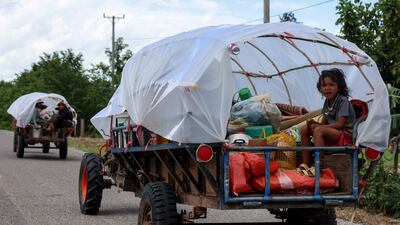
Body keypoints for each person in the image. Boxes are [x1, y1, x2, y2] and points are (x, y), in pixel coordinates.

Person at [300, 68, 356, 167]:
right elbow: (324, 123)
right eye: (324, 85)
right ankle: (306, 164)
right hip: (334, 132)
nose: (327, 88)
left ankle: (319, 165)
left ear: (338, 87)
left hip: (345, 135)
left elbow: (340, 124)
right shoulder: (327, 102)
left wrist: (318, 127)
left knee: (318, 131)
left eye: (331, 85)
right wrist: (314, 124)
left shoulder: (343, 101)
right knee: (304, 129)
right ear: (320, 89)